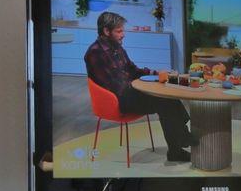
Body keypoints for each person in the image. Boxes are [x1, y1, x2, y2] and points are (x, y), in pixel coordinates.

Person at [83, 11, 194, 162]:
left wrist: (155, 73)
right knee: (163, 99)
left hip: (128, 93)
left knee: (166, 94)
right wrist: (145, 88)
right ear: (106, 31)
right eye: (119, 31)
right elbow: (117, 86)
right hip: (117, 100)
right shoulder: (95, 53)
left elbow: (132, 70)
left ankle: (181, 140)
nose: (123, 35)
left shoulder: (117, 47)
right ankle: (181, 142)